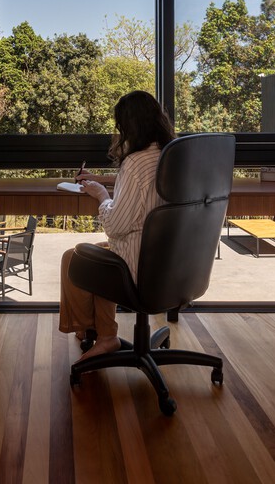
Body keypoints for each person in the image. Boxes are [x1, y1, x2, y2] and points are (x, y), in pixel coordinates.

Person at [59, 90, 175, 361]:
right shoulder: (167, 153)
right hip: (169, 261)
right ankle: (97, 330)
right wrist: (105, 180)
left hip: (136, 263)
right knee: (84, 255)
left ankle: (103, 335)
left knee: (75, 258)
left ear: (129, 126)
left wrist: (102, 195)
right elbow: (142, 189)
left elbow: (115, 226)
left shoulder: (135, 162)